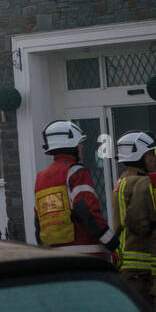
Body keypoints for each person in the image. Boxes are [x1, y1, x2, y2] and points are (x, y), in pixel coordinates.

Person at [33, 120, 118, 258]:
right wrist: (113, 244)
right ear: (69, 144)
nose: (82, 147)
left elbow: (38, 222)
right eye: (79, 143)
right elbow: (88, 212)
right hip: (86, 256)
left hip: (54, 257)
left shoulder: (40, 178)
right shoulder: (76, 172)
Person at [111, 131, 156, 299]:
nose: (155, 158)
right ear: (138, 155)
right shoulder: (141, 182)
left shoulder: (123, 180)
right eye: (151, 154)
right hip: (140, 262)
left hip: (127, 259)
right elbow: (142, 222)